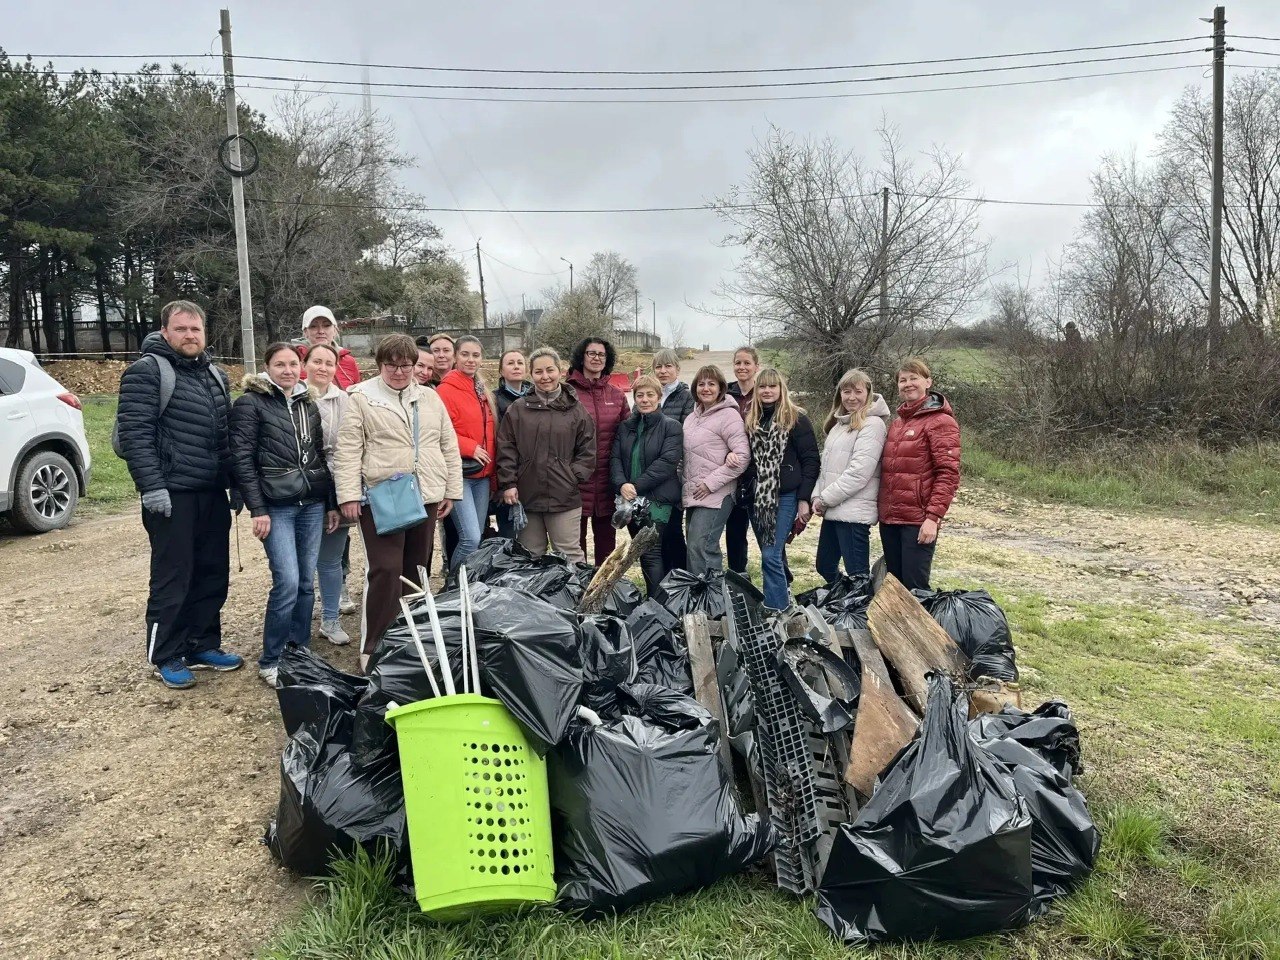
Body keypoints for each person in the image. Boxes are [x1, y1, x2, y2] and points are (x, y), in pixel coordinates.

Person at [117, 300, 243, 689]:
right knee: (173, 577)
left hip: (210, 493)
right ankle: (166, 653)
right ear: (166, 332)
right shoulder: (147, 372)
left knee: (211, 573)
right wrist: (152, 487)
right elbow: (135, 436)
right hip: (171, 495)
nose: (190, 335)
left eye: (196, 329)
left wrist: (234, 483)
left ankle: (202, 643)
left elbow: (224, 439)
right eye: (182, 329)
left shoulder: (215, 375)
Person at [334, 334, 462, 670]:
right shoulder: (360, 397)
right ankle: (373, 644)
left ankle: (410, 638)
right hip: (381, 495)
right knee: (385, 569)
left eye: (406, 365)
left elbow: (447, 444)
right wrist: (348, 494)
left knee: (417, 569)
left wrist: (451, 490)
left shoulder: (430, 398)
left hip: (425, 493)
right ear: (380, 365)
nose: (400, 372)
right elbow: (348, 449)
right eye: (392, 365)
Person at [230, 344, 339, 686]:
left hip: (312, 503)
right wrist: (257, 508)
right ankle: (272, 658)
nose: (288, 370)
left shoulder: (309, 403)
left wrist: (332, 502)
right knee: (288, 583)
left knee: (307, 583)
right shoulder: (250, 404)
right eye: (280, 364)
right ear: (267, 367)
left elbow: (320, 454)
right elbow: (242, 459)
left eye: (293, 364)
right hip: (277, 506)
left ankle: (299, 650)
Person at [496, 346, 595, 562]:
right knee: (530, 557)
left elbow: (587, 451)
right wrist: (509, 483)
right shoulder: (518, 409)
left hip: (564, 498)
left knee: (569, 555)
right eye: (538, 372)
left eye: (550, 370)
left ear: (560, 371)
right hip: (527, 495)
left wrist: (571, 477)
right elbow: (506, 448)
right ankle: (533, 597)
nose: (545, 377)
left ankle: (577, 596)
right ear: (531, 374)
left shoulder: (576, 410)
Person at [878, 358, 960, 591]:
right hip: (891, 519)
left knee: (916, 588)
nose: (908, 384)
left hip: (917, 521)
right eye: (903, 380)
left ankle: (923, 628)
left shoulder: (941, 422)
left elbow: (948, 474)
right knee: (895, 586)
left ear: (928, 382)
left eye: (914, 378)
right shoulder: (897, 424)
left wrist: (932, 518)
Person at [743, 368, 819, 613]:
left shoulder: (796, 419)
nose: (767, 391)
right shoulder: (752, 419)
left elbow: (811, 461)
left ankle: (776, 610)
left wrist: (804, 498)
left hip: (785, 495)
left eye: (772, 386)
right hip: (759, 499)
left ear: (781, 389)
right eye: (762, 387)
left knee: (770, 555)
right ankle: (783, 596)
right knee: (773, 554)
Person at [811, 369, 890, 582]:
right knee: (825, 565)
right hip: (834, 508)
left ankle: (861, 612)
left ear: (868, 393)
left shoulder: (873, 425)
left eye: (858, 391)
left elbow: (859, 473)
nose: (852, 397)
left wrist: (825, 498)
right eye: (847, 391)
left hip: (854, 514)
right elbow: (825, 467)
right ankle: (845, 605)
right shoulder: (840, 425)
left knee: (858, 575)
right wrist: (817, 496)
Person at [610, 375, 683, 596]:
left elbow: (667, 462)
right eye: (640, 395)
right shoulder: (626, 427)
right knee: (644, 552)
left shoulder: (671, 427)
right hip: (631, 500)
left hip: (658, 499)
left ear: (659, 397)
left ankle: (655, 605)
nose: (644, 399)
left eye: (650, 394)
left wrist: (636, 486)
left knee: (651, 552)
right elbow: (615, 459)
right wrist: (622, 484)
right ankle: (657, 600)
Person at [305, 343, 354, 645]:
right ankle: (298, 617)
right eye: (316, 361)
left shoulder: (344, 400)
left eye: (328, 363)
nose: (322, 368)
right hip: (302, 487)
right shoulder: (292, 395)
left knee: (331, 559)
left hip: (336, 481)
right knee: (301, 560)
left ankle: (331, 618)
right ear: (305, 363)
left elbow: (349, 444)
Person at [681, 365, 750, 576]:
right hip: (693, 492)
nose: (706, 388)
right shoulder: (692, 417)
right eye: (701, 384)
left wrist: (710, 483)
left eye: (711, 384)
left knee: (703, 547)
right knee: (694, 547)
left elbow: (742, 457)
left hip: (716, 493)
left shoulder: (729, 416)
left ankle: (714, 600)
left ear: (721, 388)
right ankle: (697, 596)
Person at [435, 335, 495, 569]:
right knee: (470, 538)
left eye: (476, 355)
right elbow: (440, 431)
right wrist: (469, 447)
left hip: (482, 476)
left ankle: (466, 586)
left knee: (477, 536)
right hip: (460, 475)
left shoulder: (481, 390)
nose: (471, 360)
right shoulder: (445, 390)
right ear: (456, 357)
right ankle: (454, 585)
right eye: (465, 354)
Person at [567, 337, 628, 565]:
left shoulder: (616, 395)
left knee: (606, 545)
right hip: (575, 481)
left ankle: (604, 591)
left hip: (606, 480)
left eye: (601, 354)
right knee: (575, 544)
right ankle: (578, 589)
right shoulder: (567, 392)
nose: (596, 358)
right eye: (591, 353)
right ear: (582, 357)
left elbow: (626, 435)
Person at [651, 347, 694, 573]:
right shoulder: (649, 393)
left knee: (673, 531)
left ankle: (681, 577)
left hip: (674, 473)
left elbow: (684, 433)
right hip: (651, 475)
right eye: (658, 366)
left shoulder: (687, 397)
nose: (663, 371)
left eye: (668, 366)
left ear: (677, 369)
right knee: (657, 534)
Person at [724, 345, 759, 575]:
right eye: (738, 363)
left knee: (764, 530)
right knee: (735, 530)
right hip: (732, 468)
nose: (742, 367)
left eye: (747, 363)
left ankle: (781, 584)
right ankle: (738, 575)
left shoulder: (765, 391)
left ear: (757, 366)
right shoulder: (725, 393)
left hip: (759, 470)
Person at [492, 349, 530, 539]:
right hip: (507, 473)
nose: (516, 366)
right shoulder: (493, 399)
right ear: (501, 370)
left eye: (520, 362)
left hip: (531, 474)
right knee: (510, 532)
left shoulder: (536, 397)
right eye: (510, 363)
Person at [295, 305, 361, 389]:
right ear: (305, 332)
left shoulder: (349, 361)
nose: (321, 331)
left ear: (335, 330)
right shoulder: (295, 360)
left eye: (326, 326)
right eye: (313, 326)